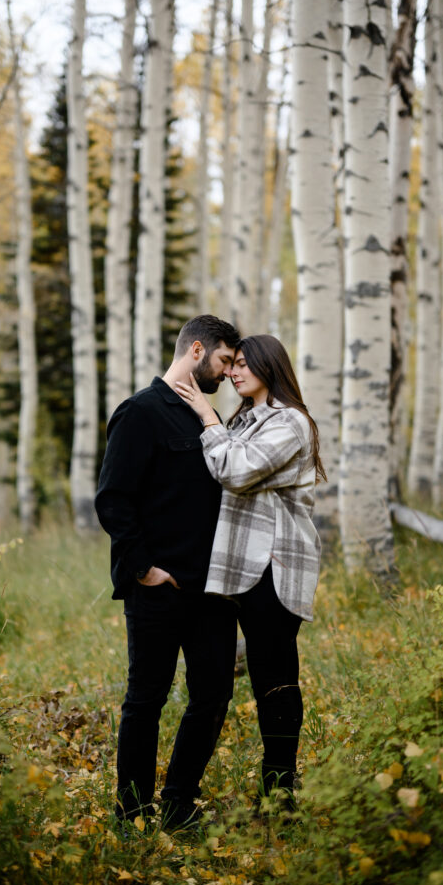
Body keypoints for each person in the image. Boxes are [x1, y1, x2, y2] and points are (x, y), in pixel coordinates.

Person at [95, 314, 241, 831]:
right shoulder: (140, 412)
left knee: (214, 695)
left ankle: (179, 804)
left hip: (212, 591)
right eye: (224, 360)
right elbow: (113, 500)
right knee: (146, 700)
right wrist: (143, 570)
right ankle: (132, 812)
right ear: (197, 351)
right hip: (159, 589)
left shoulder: (210, 419)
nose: (227, 373)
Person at [174, 333, 325, 811]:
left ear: (266, 365)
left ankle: (279, 795)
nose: (233, 372)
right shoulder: (248, 419)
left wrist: (207, 418)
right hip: (241, 568)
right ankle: (266, 791)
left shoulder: (290, 422)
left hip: (275, 565)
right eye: (231, 364)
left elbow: (236, 471)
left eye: (242, 364)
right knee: (257, 676)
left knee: (275, 681)